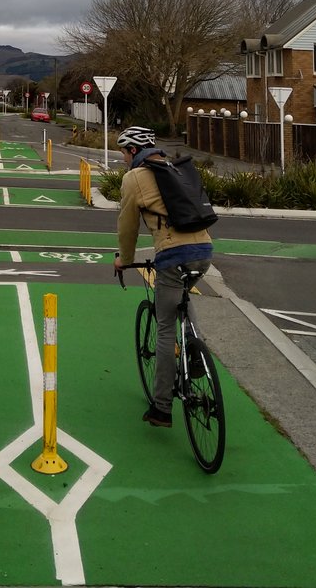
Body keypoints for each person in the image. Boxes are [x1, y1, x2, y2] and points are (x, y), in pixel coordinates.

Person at [112, 125, 213, 428]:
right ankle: (197, 356)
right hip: (205, 250)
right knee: (182, 297)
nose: (123, 158)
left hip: (173, 255)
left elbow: (127, 227)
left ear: (133, 150)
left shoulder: (135, 178)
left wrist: (124, 260)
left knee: (166, 327)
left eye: (123, 152)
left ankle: (162, 408)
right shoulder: (176, 168)